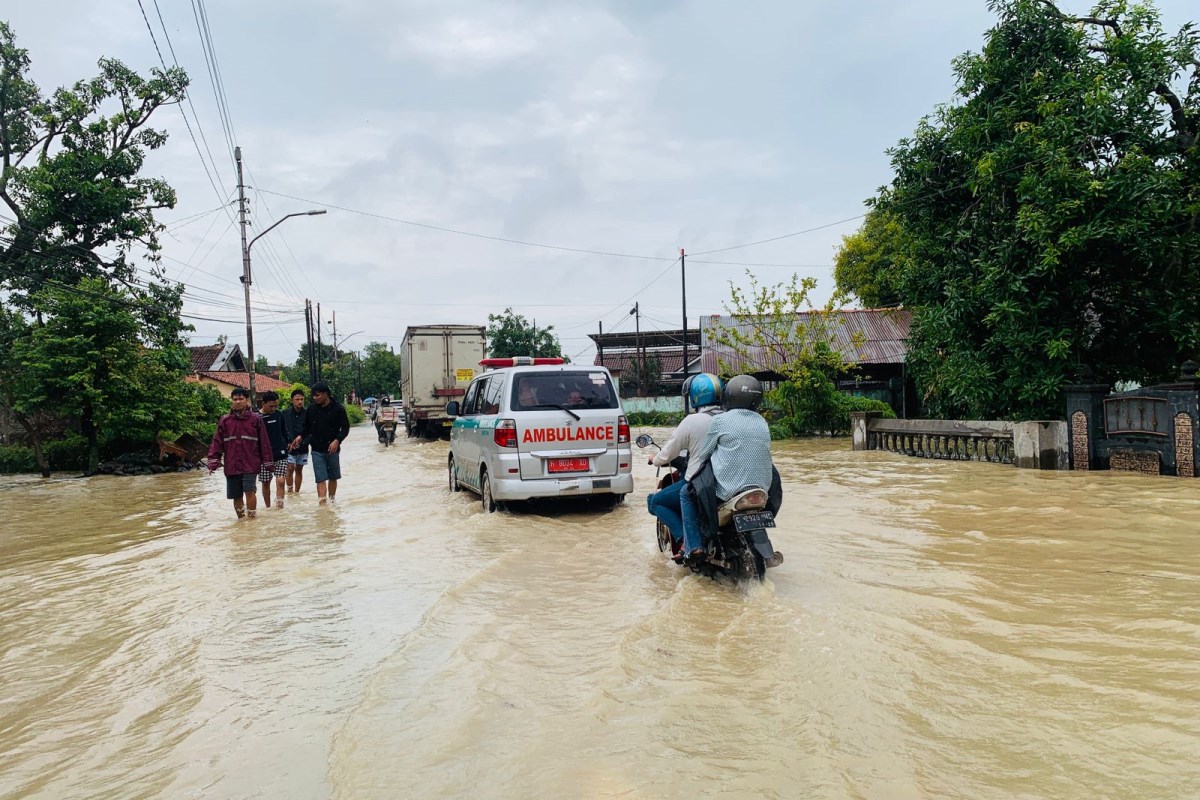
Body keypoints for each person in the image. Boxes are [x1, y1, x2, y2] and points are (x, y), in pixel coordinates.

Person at [678, 375, 774, 560]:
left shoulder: (721, 421)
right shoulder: (762, 421)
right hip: (763, 489)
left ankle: (694, 547)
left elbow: (704, 454)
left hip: (728, 491)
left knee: (685, 493)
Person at [645, 374, 723, 553]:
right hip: (727, 480)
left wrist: (654, 459)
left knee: (655, 502)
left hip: (699, 482)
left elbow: (668, 452)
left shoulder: (692, 420)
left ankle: (684, 542)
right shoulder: (729, 418)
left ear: (695, 396)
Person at [206, 387, 274, 520]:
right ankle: (242, 521)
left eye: (241, 399)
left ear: (246, 400)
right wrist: (213, 461)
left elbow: (264, 442)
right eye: (235, 399)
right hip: (232, 464)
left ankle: (252, 521)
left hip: (250, 463)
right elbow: (217, 442)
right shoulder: (225, 421)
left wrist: (268, 462)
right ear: (232, 401)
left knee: (250, 491)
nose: (238, 402)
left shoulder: (255, 419)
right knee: (236, 495)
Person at [303, 381, 350, 505]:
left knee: (333, 477)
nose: (315, 398)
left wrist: (337, 441)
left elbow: (345, 428)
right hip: (316, 450)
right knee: (321, 478)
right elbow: (306, 429)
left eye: (317, 395)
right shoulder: (311, 410)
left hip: (333, 449)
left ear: (325, 394)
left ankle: (332, 500)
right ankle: (323, 505)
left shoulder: (338, 409)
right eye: (313, 395)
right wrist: (300, 438)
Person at [257, 391, 290, 508]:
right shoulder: (256, 417)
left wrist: (288, 443)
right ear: (263, 403)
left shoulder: (279, 415)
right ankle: (268, 507)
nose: (274, 408)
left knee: (281, 481)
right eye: (271, 406)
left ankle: (280, 508)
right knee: (266, 482)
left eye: (276, 405)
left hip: (280, 453)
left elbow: (284, 431)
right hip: (264, 456)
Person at [283, 389, 310, 493]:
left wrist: (303, 442)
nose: (300, 401)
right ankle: (290, 491)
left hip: (303, 447)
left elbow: (310, 431)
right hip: (289, 447)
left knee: (299, 469)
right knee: (290, 468)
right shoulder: (285, 413)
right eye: (297, 399)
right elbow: (282, 430)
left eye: (302, 399)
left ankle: (297, 492)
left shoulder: (308, 413)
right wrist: (288, 442)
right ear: (292, 400)